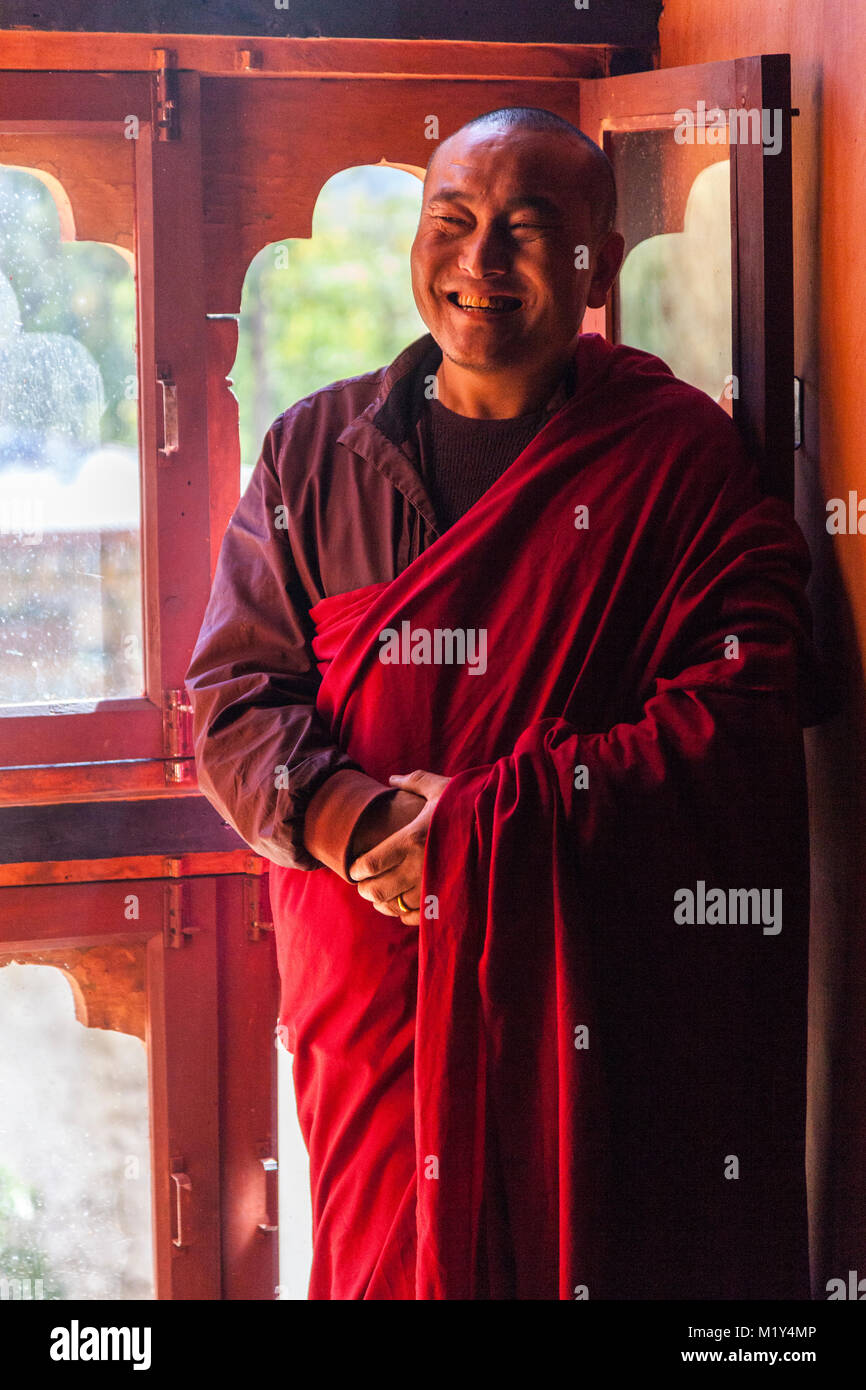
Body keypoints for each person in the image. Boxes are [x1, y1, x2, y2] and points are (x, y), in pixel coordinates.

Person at [186, 107, 817, 1300]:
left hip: (581, 980)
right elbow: (231, 698)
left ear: (596, 253)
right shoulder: (314, 451)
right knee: (390, 1262)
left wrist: (488, 827)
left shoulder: (673, 453)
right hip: (372, 981)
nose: (480, 263)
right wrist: (359, 825)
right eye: (453, 221)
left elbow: (742, 704)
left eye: (528, 230)